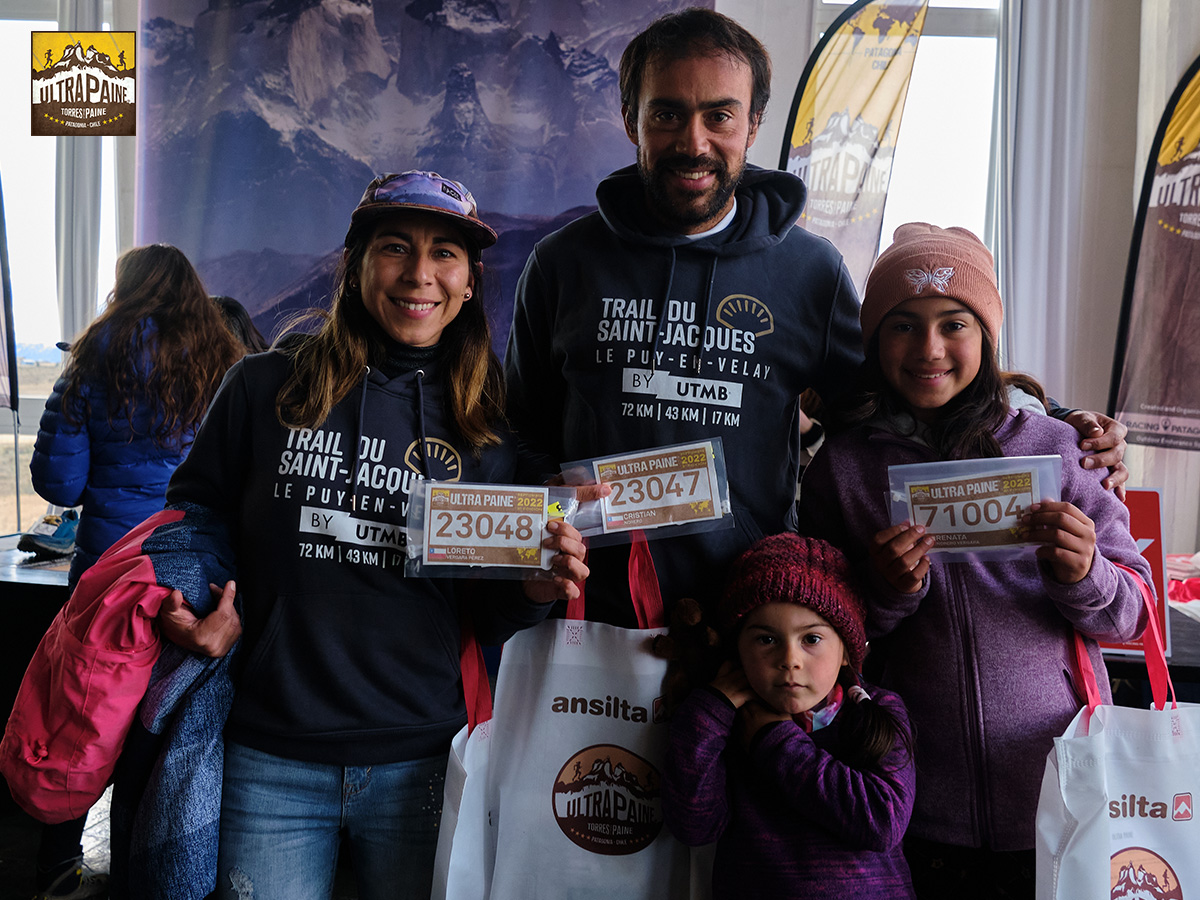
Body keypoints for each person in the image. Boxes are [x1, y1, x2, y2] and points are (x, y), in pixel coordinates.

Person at [504, 7, 1130, 628]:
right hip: (587, 614)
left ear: (753, 123)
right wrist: (550, 501)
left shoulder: (808, 271)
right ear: (630, 119)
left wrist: (1054, 420)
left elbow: (903, 389)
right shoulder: (561, 264)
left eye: (719, 116)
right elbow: (516, 432)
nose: (693, 142)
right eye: (667, 114)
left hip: (757, 625)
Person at [163, 170, 589, 900]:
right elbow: (191, 524)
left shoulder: (489, 428)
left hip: (422, 759)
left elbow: (486, 616)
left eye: (444, 253)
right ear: (355, 264)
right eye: (395, 247)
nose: (419, 273)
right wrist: (199, 603)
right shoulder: (262, 388)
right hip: (271, 756)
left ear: (468, 282)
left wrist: (534, 590)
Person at [795, 223, 1152, 899]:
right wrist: (885, 591)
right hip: (909, 798)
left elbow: (1135, 613)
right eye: (903, 326)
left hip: (1061, 795)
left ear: (986, 338)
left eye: (953, 324)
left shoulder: (1058, 446)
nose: (928, 348)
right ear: (873, 341)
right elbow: (820, 637)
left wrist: (1086, 574)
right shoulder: (842, 469)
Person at [27, 243, 244, 900]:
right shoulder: (227, 361)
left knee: (84, 717)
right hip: (197, 572)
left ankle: (58, 869)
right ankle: (157, 871)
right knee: (174, 728)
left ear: (123, 288)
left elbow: (59, 485)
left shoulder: (92, 361)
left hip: (110, 573)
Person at [663, 533, 916, 899]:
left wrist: (776, 741)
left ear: (847, 651)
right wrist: (706, 716)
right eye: (766, 640)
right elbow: (694, 827)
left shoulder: (877, 708)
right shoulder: (724, 721)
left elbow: (883, 822)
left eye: (811, 639)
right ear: (738, 651)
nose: (789, 660)